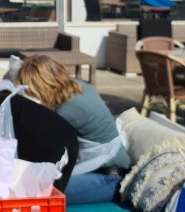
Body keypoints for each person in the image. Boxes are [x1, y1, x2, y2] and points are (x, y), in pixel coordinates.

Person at [18, 55, 130, 203]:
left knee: (39, 194)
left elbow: (44, 150)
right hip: (108, 168)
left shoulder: (68, 111)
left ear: (41, 86)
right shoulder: (77, 87)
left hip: (109, 177)